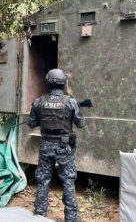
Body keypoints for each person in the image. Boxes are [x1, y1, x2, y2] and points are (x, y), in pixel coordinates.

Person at [27, 68, 85, 222]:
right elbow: (81, 124)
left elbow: (31, 123)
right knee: (68, 180)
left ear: (48, 82)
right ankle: (71, 218)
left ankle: (40, 215)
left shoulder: (39, 102)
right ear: (63, 82)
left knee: (43, 179)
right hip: (64, 147)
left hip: (46, 146)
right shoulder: (71, 102)